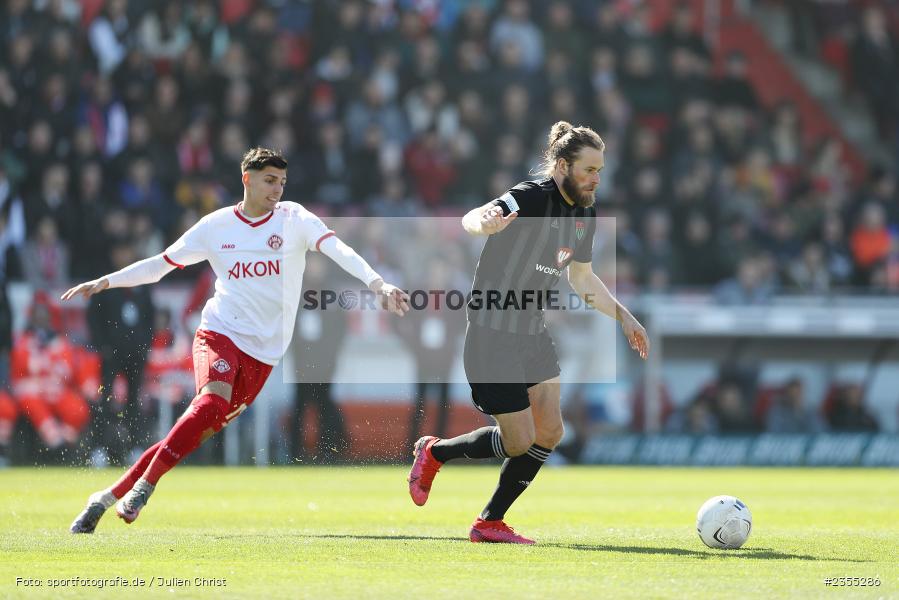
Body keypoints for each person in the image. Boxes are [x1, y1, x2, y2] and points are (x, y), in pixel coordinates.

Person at [68, 147, 409, 533]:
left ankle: (103, 498)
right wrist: (107, 281)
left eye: (281, 182)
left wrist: (377, 283)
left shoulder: (294, 219)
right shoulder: (215, 227)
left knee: (198, 424)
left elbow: (338, 250)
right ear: (246, 178)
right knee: (210, 403)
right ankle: (144, 487)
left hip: (264, 354)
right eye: (269, 181)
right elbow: (161, 265)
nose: (277, 190)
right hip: (220, 332)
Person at [407, 122, 649, 544]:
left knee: (550, 431)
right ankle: (434, 452)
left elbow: (583, 280)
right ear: (561, 166)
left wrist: (623, 315)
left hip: (531, 331)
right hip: (491, 332)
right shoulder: (531, 196)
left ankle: (488, 522)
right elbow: (472, 219)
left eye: (600, 170)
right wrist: (485, 221)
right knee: (519, 441)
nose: (597, 179)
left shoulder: (584, 216)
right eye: (589, 169)